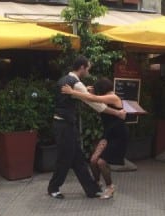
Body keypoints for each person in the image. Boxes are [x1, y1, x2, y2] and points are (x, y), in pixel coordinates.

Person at [48, 56, 126, 199]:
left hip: (64, 124)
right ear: (82, 67)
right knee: (65, 158)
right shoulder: (76, 84)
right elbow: (95, 104)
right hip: (65, 126)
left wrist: (84, 91)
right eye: (88, 68)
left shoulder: (64, 79)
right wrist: (117, 112)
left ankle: (91, 189)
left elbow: (80, 96)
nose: (88, 72)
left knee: (78, 158)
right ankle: (53, 187)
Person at [62, 77, 128, 199]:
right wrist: (86, 91)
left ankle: (110, 187)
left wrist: (72, 92)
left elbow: (94, 99)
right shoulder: (105, 98)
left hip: (118, 135)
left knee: (101, 162)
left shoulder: (113, 97)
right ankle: (96, 184)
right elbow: (92, 99)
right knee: (93, 160)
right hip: (108, 134)